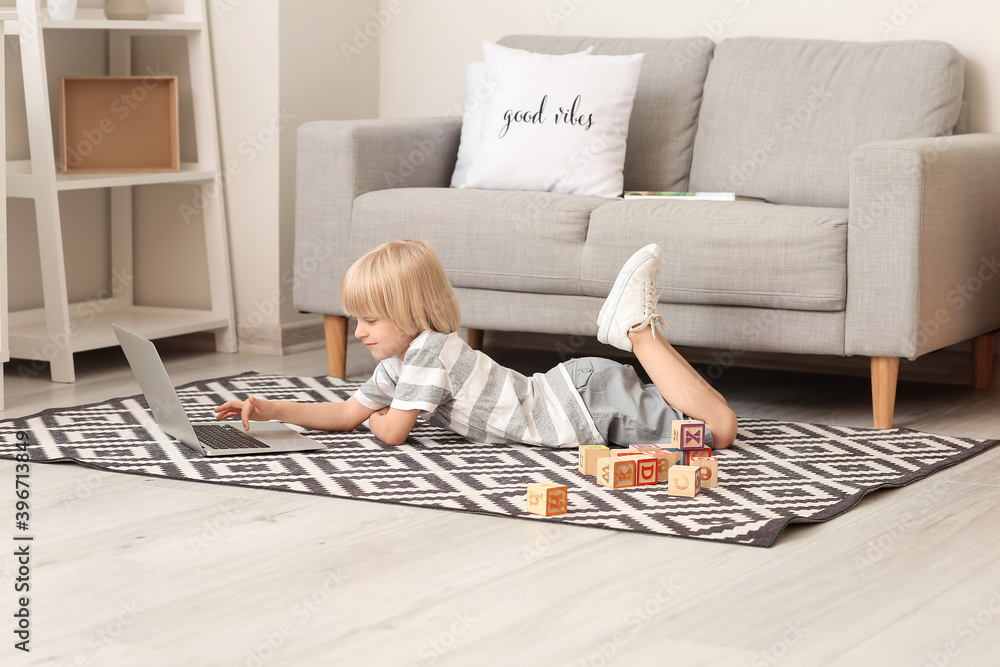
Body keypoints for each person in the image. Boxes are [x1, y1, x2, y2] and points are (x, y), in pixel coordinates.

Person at [214, 240, 738, 449]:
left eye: (369, 319)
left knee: (719, 432)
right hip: (578, 393)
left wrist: (379, 416)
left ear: (408, 314)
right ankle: (637, 330)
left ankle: (638, 330)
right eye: (356, 320)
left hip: (580, 408)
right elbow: (348, 414)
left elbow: (389, 431)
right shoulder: (401, 362)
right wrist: (267, 409)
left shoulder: (428, 352)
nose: (359, 332)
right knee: (689, 413)